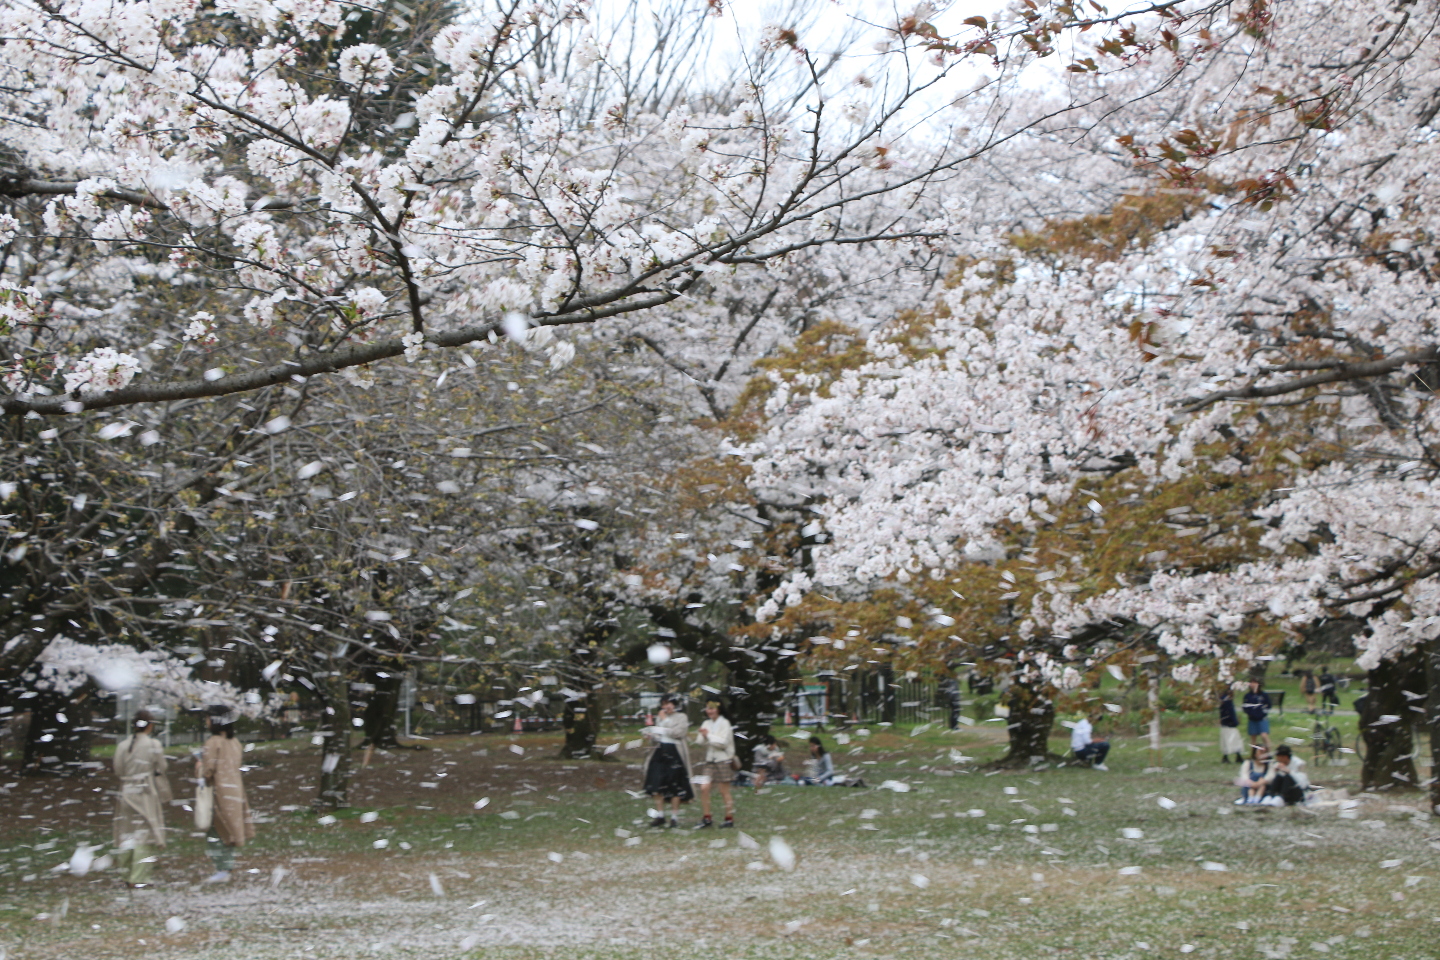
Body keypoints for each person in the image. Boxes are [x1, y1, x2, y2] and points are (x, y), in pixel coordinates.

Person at [113, 709, 170, 888]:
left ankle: (125, 872)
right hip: (145, 792)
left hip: (127, 792)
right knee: (143, 836)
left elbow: (118, 769)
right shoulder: (153, 745)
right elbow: (162, 766)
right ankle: (139, 877)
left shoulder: (123, 745)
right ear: (150, 726)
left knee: (126, 834)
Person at [197, 704, 253, 883]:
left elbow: (208, 771)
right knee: (229, 829)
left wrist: (199, 768)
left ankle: (223, 868)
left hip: (219, 792)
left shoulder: (213, 742)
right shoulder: (234, 742)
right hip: (235, 790)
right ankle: (226, 866)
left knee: (217, 831)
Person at [640, 695, 692, 827]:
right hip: (660, 752)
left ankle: (674, 817)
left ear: (674, 704)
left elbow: (678, 733)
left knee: (675, 785)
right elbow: (658, 736)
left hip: (674, 752)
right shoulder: (659, 718)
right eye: (664, 704)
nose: (667, 706)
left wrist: (665, 720)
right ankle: (660, 815)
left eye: (669, 703)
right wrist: (650, 735)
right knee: (656, 784)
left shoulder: (681, 717)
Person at [692, 700, 737, 828]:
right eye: (707, 708)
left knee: (724, 791)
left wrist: (709, 736)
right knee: (704, 788)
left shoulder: (725, 723)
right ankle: (707, 818)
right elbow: (700, 741)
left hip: (723, 759)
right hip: (709, 760)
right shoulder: (706, 723)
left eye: (712, 708)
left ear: (718, 709)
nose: (709, 711)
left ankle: (729, 818)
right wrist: (704, 735)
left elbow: (722, 743)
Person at [1242, 679, 1272, 750]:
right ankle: (1253, 753)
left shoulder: (1263, 695)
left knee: (1264, 735)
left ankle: (1268, 751)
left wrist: (1263, 713)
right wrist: (1250, 713)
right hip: (1252, 719)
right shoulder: (1248, 696)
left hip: (1262, 718)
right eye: (1251, 683)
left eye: (1255, 683)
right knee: (1253, 737)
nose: (1253, 684)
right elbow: (1245, 706)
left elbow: (1268, 705)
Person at [1218, 685, 1243, 764]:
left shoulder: (1224, 699)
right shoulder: (1227, 700)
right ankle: (1235, 756)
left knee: (1227, 740)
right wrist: (1234, 721)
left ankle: (1228, 756)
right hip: (1229, 724)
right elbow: (1229, 713)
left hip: (1226, 724)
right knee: (1234, 740)